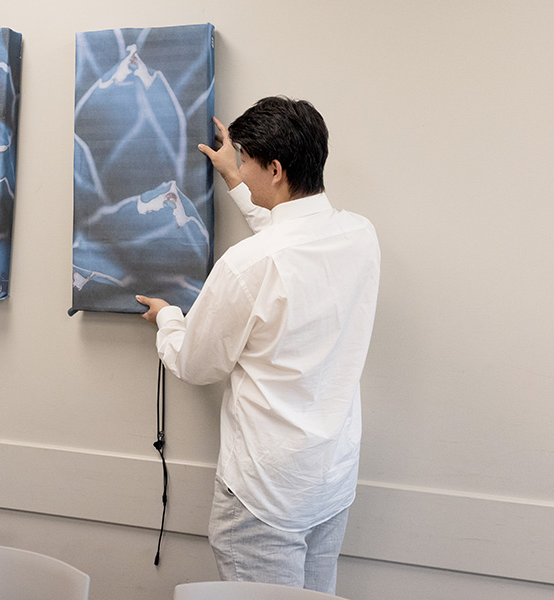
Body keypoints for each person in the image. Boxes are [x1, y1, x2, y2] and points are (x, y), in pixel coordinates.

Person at [136, 97, 380, 593]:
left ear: (275, 168)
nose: (240, 170)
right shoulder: (359, 234)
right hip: (329, 482)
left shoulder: (247, 264)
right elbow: (288, 241)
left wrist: (168, 320)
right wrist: (232, 178)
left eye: (246, 161)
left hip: (262, 497)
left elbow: (195, 363)